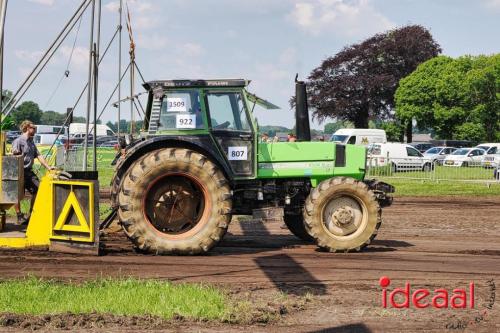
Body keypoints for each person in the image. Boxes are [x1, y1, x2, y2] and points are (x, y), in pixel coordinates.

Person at [12, 120, 55, 225]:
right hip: (19, 171)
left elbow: (39, 156)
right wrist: (15, 153)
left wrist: (49, 167)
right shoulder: (19, 141)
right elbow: (14, 153)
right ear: (27, 128)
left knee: (38, 189)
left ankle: (31, 213)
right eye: (33, 128)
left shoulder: (31, 142)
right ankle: (19, 215)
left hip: (29, 172)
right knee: (16, 195)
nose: (35, 130)